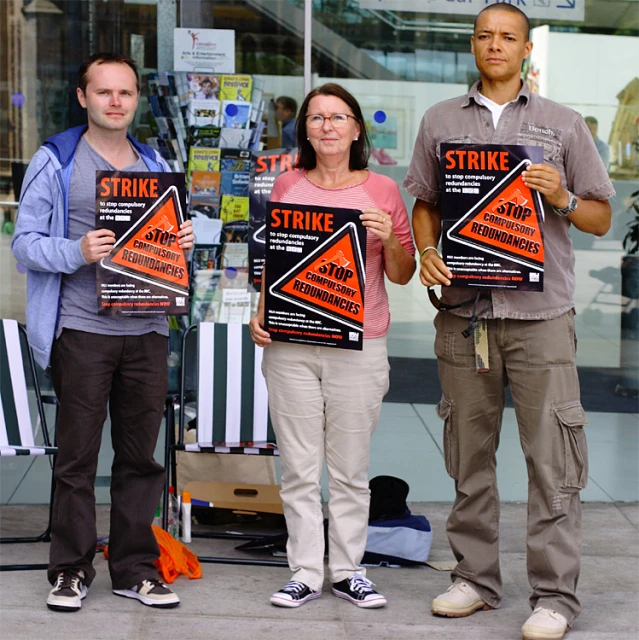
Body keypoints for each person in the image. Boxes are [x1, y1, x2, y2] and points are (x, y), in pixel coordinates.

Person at [404, 5, 614, 640]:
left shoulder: (562, 124)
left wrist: (564, 199)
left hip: (540, 318)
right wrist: (426, 251)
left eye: (508, 37)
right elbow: (424, 202)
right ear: (473, 44)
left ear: (527, 49)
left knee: (552, 462)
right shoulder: (440, 121)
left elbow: (601, 216)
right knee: (470, 460)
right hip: (465, 316)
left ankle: (553, 596)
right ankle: (475, 578)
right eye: (484, 36)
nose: (494, 45)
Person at [12, 53, 194, 613]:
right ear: (83, 97)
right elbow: (23, 244)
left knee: (141, 458)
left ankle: (135, 569)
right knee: (77, 458)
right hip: (82, 331)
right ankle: (70, 570)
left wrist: (179, 243)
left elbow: (164, 251)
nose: (116, 102)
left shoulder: (154, 161)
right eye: (105, 92)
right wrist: (76, 250)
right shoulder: (57, 159)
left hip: (146, 329)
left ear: (137, 99)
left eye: (126, 93)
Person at [250, 83, 415, 609]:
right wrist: (260, 315)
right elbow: (274, 263)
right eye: (316, 118)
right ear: (304, 129)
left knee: (349, 469)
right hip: (291, 344)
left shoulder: (383, 190)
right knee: (298, 467)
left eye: (337, 117)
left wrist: (389, 236)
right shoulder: (286, 184)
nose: (326, 126)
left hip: (359, 344)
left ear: (356, 128)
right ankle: (303, 570)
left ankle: (346, 569)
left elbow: (405, 273)